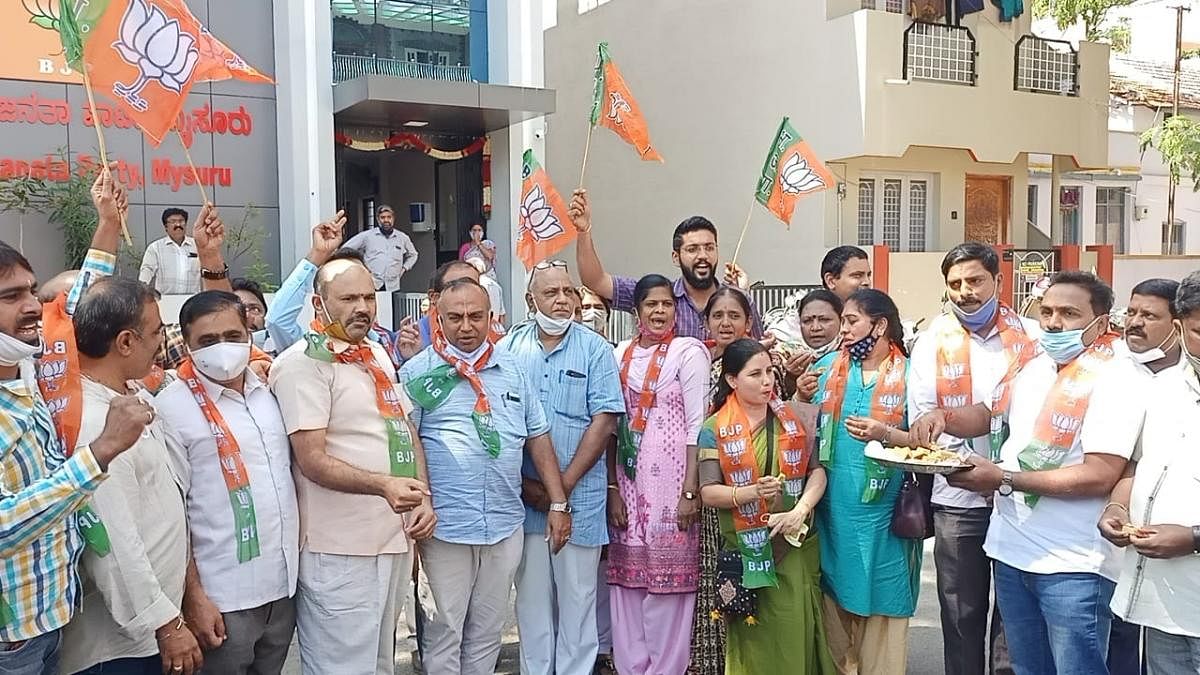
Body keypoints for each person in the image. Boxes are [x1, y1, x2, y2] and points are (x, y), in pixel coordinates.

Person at [911, 271, 1144, 675]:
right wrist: (942, 417)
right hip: (1013, 550)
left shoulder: (1118, 375)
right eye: (1048, 311)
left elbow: (1100, 474)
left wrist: (1002, 478)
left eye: (1070, 313)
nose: (1054, 322)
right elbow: (988, 414)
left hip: (1073, 562)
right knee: (1027, 668)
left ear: (1102, 322)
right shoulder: (1034, 364)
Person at [0, 170, 150, 675]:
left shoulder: (33, 370)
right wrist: (99, 454)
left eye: (30, 292)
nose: (30, 309)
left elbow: (79, 302)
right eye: (10, 298)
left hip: (50, 618)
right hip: (10, 635)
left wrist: (108, 223)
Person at [269, 256, 435, 675]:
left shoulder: (376, 352)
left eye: (368, 297)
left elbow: (403, 426)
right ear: (318, 303)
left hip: (393, 537)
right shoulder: (301, 364)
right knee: (341, 667)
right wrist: (383, 486)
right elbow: (312, 460)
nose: (362, 306)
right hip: (339, 549)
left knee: (380, 664)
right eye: (347, 298)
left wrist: (422, 496)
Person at [399, 278, 572, 675]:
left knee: (488, 631)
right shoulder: (417, 373)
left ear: (490, 318)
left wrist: (558, 502)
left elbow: (538, 436)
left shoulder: (513, 370)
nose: (466, 326)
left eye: (475, 316)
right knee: (444, 630)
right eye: (455, 317)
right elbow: (407, 446)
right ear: (438, 319)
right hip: (444, 527)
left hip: (503, 523)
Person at [906, 243, 1036, 675]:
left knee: (1014, 620)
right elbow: (924, 418)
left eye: (976, 280)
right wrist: (962, 469)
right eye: (956, 284)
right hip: (957, 499)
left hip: (1020, 497)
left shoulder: (1032, 339)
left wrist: (1001, 475)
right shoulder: (929, 342)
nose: (966, 292)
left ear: (999, 282)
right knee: (961, 616)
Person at [60, 277, 200, 675]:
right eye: (157, 331)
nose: (163, 340)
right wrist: (167, 625)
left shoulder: (129, 395)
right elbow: (113, 545)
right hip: (119, 649)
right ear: (124, 342)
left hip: (152, 629)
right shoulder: (95, 423)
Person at [155, 291, 299, 675]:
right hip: (220, 600)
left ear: (250, 333)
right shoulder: (170, 407)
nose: (223, 349)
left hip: (282, 589)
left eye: (233, 336)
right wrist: (193, 597)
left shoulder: (270, 390)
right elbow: (172, 513)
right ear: (186, 345)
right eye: (207, 341)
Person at [500, 261, 625, 675]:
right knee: (532, 602)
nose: (562, 300)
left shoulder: (595, 349)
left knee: (578, 600)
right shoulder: (507, 349)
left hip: (580, 500)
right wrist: (531, 489)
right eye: (551, 292)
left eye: (568, 292)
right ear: (529, 300)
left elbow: (605, 420)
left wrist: (559, 492)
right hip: (524, 500)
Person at [698, 338, 835, 675]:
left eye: (770, 372)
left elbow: (816, 473)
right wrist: (749, 492)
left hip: (793, 544)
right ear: (732, 380)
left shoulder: (794, 418)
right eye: (755, 374)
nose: (767, 381)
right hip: (747, 550)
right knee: (753, 645)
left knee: (794, 633)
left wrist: (798, 511)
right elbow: (708, 493)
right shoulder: (713, 429)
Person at [812, 288, 920, 675]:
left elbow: (927, 442)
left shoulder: (912, 374)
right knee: (834, 599)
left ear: (880, 325)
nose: (843, 330)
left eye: (851, 321)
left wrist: (886, 433)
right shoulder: (827, 369)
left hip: (885, 517)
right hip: (834, 512)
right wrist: (798, 390)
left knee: (884, 599)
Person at [606, 274, 708, 675]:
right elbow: (612, 424)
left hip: (672, 484)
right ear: (637, 311)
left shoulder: (688, 352)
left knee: (670, 587)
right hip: (628, 484)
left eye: (667, 304)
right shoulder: (618, 355)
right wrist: (613, 487)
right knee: (628, 582)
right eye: (652, 304)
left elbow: (697, 424)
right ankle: (631, 668)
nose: (660, 311)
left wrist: (689, 491)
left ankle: (666, 669)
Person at [1099, 278, 1192, 675]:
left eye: (1148, 314)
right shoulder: (1168, 386)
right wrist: (1117, 506)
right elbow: (1141, 464)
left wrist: (1193, 538)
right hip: (1163, 601)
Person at [569, 190, 763, 339]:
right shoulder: (659, 296)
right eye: (693, 249)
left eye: (709, 247)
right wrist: (584, 230)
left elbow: (758, 352)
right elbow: (595, 281)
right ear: (676, 257)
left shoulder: (739, 302)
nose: (703, 256)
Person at [343, 204, 419, 291]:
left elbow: (413, 255)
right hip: (373, 284)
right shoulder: (367, 236)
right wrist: (360, 267)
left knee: (391, 305)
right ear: (378, 219)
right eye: (382, 217)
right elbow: (346, 249)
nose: (386, 220)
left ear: (393, 218)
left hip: (393, 286)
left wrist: (404, 268)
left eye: (389, 217)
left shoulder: (402, 237)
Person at [139, 208, 202, 295]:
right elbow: (147, 271)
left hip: (192, 300)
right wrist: (141, 293)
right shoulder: (155, 248)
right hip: (166, 300)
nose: (178, 224)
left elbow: (207, 271)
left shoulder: (198, 246)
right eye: (173, 221)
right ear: (166, 227)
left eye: (181, 221)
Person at [466, 255, 507, 329]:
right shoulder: (496, 285)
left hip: (483, 329)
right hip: (496, 328)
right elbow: (502, 315)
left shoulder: (477, 285)